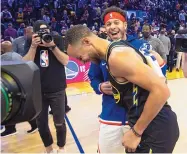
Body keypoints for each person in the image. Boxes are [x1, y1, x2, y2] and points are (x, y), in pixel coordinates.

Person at [65, 24, 179, 153]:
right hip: (148, 128)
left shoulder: (117, 57)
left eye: (80, 57)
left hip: (155, 130)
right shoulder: (117, 51)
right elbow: (155, 63)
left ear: (86, 42)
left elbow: (162, 91)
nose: (83, 62)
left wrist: (136, 132)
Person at [88, 6, 168, 153]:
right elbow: (93, 77)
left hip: (138, 120)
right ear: (105, 28)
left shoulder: (141, 46)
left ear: (125, 25)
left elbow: (161, 77)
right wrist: (99, 87)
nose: (112, 27)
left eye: (116, 23)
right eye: (108, 24)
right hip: (110, 117)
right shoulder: (100, 51)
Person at [23, 20, 68, 153]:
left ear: (49, 30)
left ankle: (61, 148)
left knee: (59, 122)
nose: (44, 34)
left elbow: (65, 61)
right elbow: (25, 64)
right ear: (35, 34)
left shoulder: (57, 39)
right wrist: (33, 47)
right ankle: (49, 149)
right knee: (41, 124)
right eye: (40, 32)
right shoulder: (30, 42)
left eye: (46, 31)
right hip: (37, 89)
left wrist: (52, 46)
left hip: (57, 88)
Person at [1, 40, 38, 137]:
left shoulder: (2, 58)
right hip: (24, 85)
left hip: (12, 87)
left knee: (10, 109)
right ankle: (35, 125)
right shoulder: (18, 55)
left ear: (2, 49)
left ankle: (10, 129)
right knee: (24, 108)